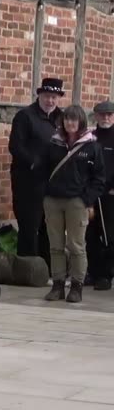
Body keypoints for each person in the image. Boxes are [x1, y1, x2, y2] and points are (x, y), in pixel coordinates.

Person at [41, 105, 105, 304]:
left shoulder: (92, 146)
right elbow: (42, 171)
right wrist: (45, 193)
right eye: (67, 119)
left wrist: (86, 199)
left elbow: (99, 178)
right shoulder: (53, 144)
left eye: (73, 120)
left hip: (76, 201)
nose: (69, 123)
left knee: (76, 246)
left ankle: (76, 286)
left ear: (81, 122)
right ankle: (58, 285)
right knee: (55, 245)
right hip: (53, 200)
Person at [10, 78, 65, 258]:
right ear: (40, 95)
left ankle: (47, 267)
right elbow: (16, 146)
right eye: (47, 96)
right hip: (29, 181)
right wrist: (33, 162)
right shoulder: (25, 116)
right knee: (29, 224)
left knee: (49, 225)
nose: (50, 101)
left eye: (54, 97)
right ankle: (28, 267)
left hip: (53, 181)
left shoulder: (61, 118)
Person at [87, 101, 114, 291]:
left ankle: (106, 274)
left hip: (110, 194)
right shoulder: (89, 138)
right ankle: (93, 272)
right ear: (95, 116)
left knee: (109, 235)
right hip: (91, 193)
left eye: (109, 115)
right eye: (102, 115)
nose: (106, 118)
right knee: (91, 234)